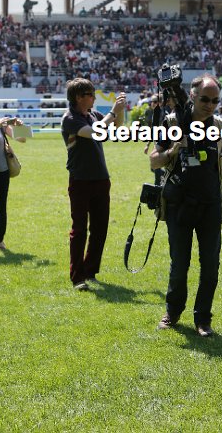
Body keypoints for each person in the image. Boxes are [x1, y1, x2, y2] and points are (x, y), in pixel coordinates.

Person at [150, 74, 222, 337]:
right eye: (205, 99)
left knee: (210, 266)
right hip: (178, 204)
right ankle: (172, 313)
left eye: (215, 100)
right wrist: (173, 150)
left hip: (210, 204)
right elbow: (154, 161)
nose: (210, 105)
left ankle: (203, 319)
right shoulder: (172, 122)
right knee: (180, 264)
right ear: (192, 95)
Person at [61, 78, 126, 291]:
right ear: (78, 97)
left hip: (101, 179)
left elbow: (117, 127)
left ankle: (90, 271)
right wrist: (113, 111)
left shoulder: (92, 115)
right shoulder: (70, 119)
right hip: (80, 180)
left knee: (100, 229)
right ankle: (77, 277)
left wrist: (120, 110)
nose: (94, 98)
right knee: (79, 230)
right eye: (90, 94)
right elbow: (96, 132)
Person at [0, 112, 25, 250]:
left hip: (2, 173)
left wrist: (19, 127)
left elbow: (22, 139)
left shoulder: (2, 125)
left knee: (1, 208)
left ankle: (0, 240)